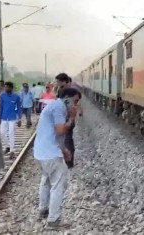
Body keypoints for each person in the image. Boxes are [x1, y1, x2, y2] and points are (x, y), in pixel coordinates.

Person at [34, 87, 78, 229]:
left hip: (41, 152)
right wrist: (71, 118)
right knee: (58, 185)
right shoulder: (59, 108)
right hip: (50, 154)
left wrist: (64, 149)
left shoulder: (53, 106)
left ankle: (43, 209)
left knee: (46, 180)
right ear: (67, 99)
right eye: (75, 101)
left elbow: (55, 134)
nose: (75, 105)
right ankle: (53, 220)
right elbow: (60, 130)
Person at [0, 81, 21, 159]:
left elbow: (18, 108)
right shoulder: (2, 96)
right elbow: (1, 107)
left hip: (12, 118)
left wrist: (19, 119)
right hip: (4, 117)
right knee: (2, 133)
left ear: (11, 88)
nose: (6, 88)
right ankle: (7, 146)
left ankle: (12, 150)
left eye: (7, 87)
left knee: (11, 133)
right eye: (5, 87)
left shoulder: (16, 97)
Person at [63, 89, 82, 168]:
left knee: (68, 141)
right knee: (68, 141)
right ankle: (69, 162)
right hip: (68, 122)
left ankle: (68, 162)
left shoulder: (67, 102)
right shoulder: (67, 102)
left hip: (68, 122)